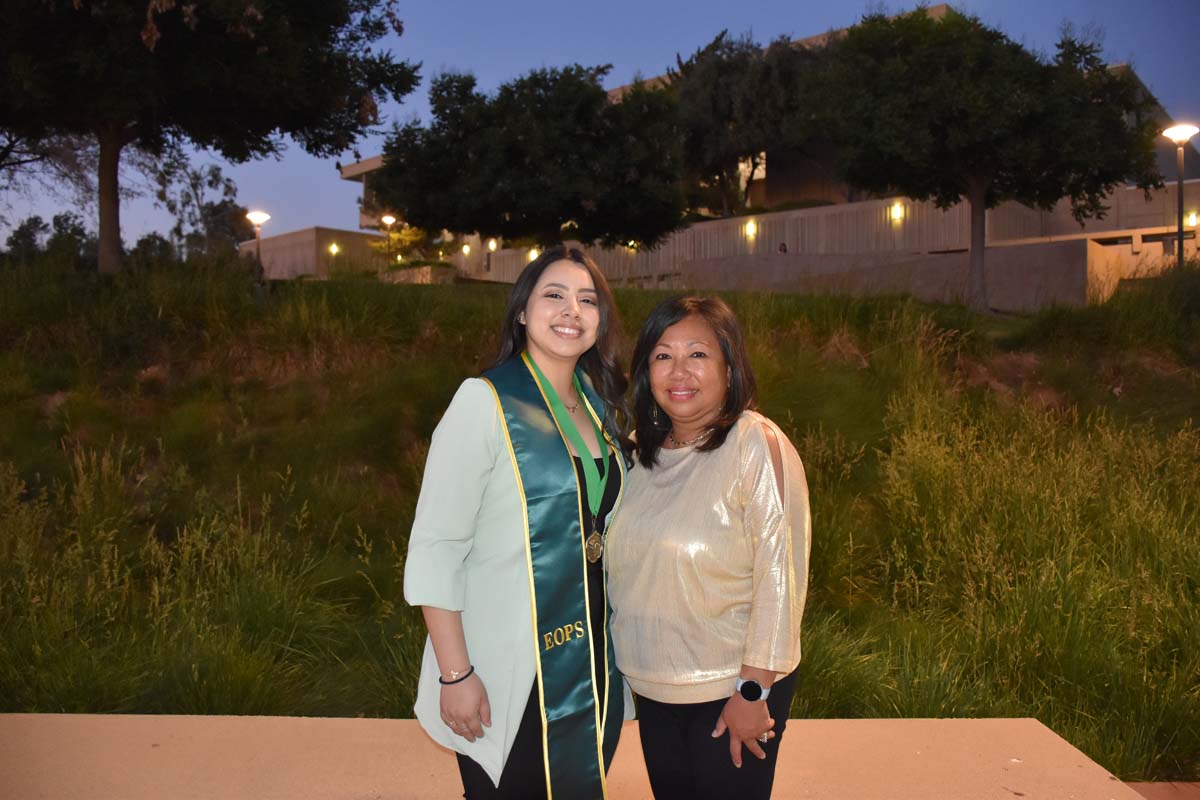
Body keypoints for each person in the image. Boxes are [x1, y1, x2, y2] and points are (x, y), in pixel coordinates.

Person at [404, 248, 633, 799]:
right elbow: (437, 545)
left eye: (587, 300)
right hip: (504, 665)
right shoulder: (483, 401)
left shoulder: (600, 409)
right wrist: (456, 673)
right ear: (523, 312)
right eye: (554, 295)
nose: (571, 310)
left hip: (591, 662)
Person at [607, 295, 811, 800]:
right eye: (663, 355)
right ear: (646, 371)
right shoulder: (636, 454)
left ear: (729, 367)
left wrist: (753, 691)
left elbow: (780, 578)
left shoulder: (754, 443)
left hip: (730, 691)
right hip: (653, 689)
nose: (679, 372)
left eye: (697, 354)